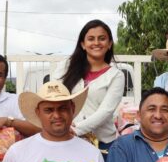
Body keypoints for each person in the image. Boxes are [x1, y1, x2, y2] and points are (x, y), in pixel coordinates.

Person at [51, 19, 125, 155]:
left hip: (102, 144)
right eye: (91, 39)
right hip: (67, 139)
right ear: (83, 44)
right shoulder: (66, 66)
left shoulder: (116, 75)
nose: (96, 43)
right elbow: (53, 94)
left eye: (102, 39)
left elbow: (106, 111)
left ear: (109, 44)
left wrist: (76, 129)